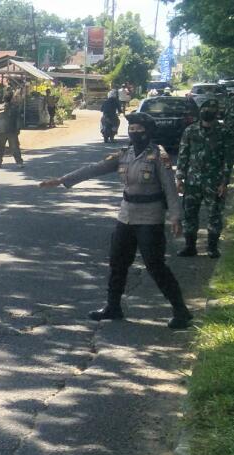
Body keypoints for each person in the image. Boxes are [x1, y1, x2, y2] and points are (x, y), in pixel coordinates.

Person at [39, 112, 193, 329]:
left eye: (140, 130)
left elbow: (169, 187)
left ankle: (180, 310)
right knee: (117, 261)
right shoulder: (124, 154)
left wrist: (176, 217)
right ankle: (113, 306)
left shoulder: (159, 155)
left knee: (155, 264)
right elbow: (96, 168)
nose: (135, 133)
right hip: (126, 215)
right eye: (132, 129)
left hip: (150, 217)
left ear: (148, 132)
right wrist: (63, 180)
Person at [176, 99, 233, 258]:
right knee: (189, 214)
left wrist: (224, 182)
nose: (207, 111)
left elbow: (228, 159)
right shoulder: (190, 130)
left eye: (211, 109)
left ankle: (212, 247)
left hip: (214, 181)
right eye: (205, 108)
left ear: (216, 113)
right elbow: (183, 154)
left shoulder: (224, 132)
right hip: (192, 180)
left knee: (214, 215)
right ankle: (190, 246)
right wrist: (179, 177)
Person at [0, 91, 23, 168]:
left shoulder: (15, 107)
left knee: (14, 147)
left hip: (11, 131)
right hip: (1, 131)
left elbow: (18, 119)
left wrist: (18, 128)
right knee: (0, 147)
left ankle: (19, 162)